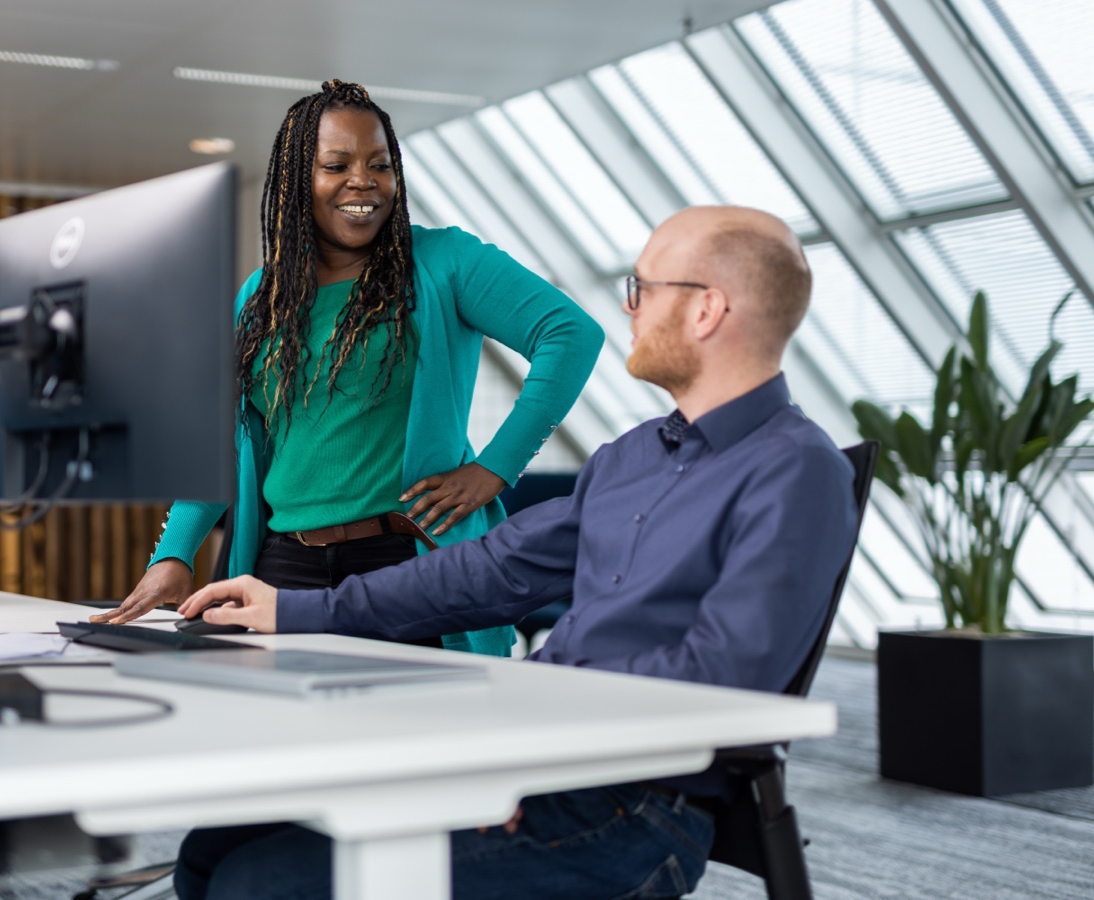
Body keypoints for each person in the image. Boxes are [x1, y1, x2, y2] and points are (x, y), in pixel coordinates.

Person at [171, 205, 861, 900]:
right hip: (542, 759)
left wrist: (526, 748)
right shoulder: (632, 459)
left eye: (643, 288)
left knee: (259, 884)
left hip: (636, 804)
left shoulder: (797, 469)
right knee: (214, 849)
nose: (629, 308)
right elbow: (491, 570)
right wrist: (295, 609)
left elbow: (722, 675)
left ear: (708, 309)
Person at [90, 80, 603, 656]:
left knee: (419, 736)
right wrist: (174, 554)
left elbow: (570, 334)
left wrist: (496, 468)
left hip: (402, 562)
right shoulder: (261, 297)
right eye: (337, 164)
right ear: (296, 183)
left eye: (379, 165)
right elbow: (224, 438)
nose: (363, 181)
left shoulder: (445, 262)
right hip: (281, 566)